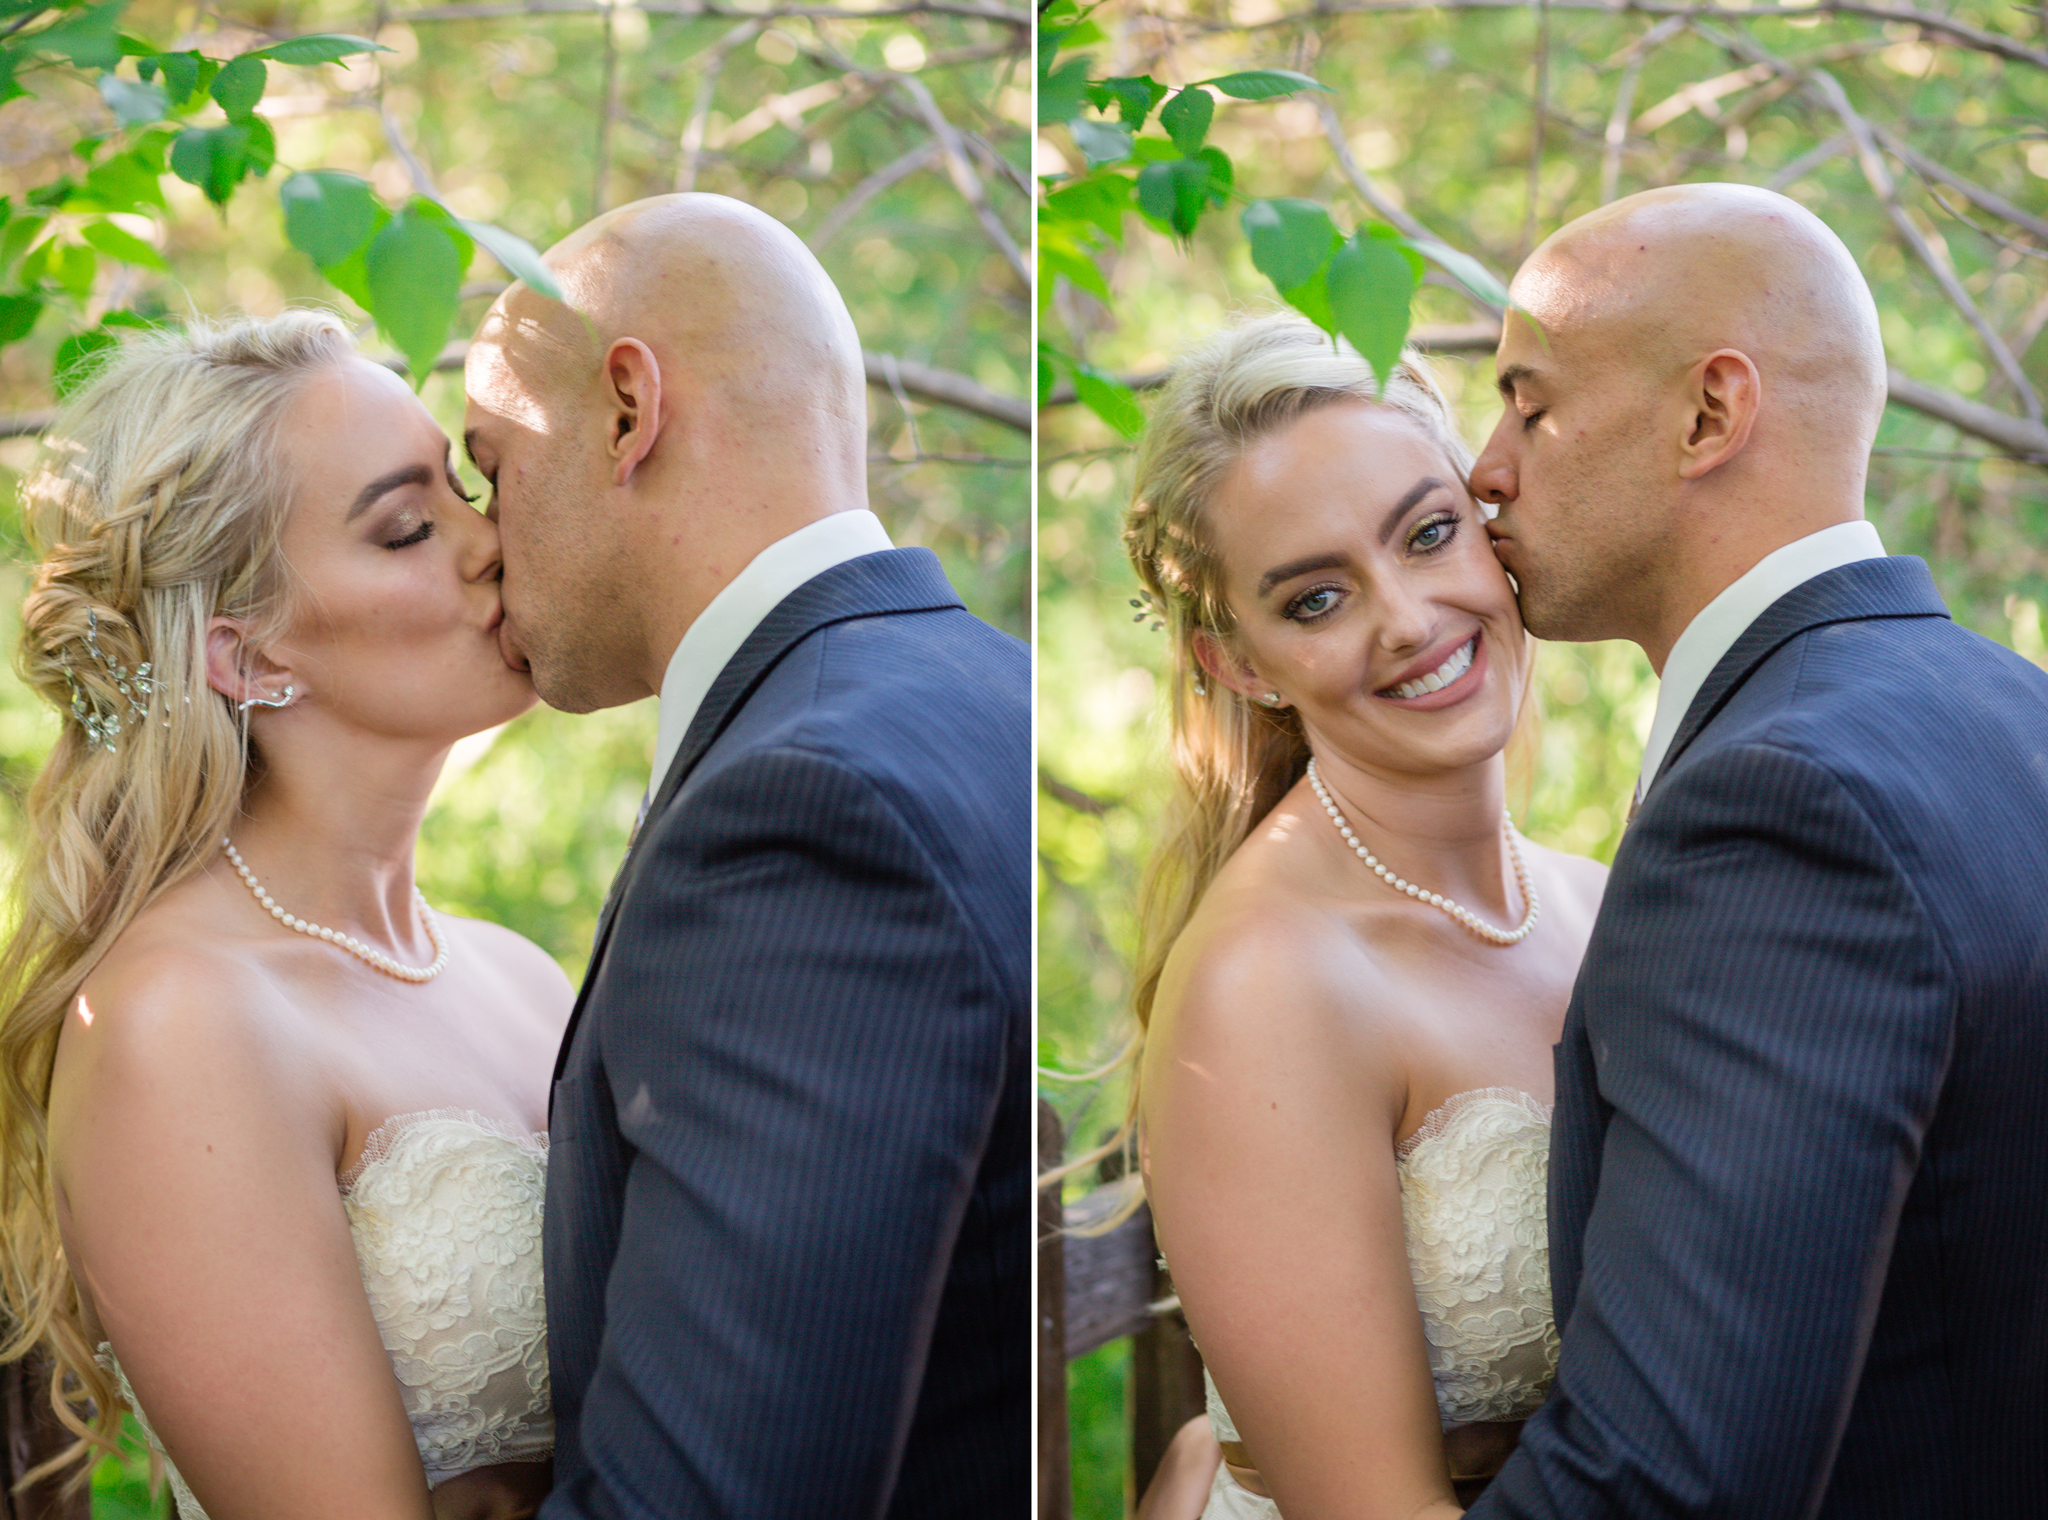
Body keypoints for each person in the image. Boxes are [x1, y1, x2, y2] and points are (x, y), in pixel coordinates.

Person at [1462, 182, 2048, 1517]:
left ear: (1709, 415)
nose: (1485, 465)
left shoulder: (1778, 809)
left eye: (1531, 402)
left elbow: (1662, 1480)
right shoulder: (2013, 706)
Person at [461, 192, 1031, 1518]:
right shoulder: (985, 685)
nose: (483, 541)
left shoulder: (800, 818)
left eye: (491, 465)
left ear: (624, 410)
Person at [0, 311, 572, 1519]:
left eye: (470, 492)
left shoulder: (523, 976)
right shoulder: (177, 1019)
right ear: (247, 659)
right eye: (410, 526)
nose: (492, 542)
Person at [1122, 312, 1608, 1520]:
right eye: (1317, 597)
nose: (1404, 617)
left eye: (1429, 534)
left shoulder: (1597, 900)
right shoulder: (1268, 981)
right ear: (1237, 661)